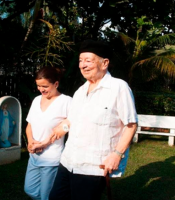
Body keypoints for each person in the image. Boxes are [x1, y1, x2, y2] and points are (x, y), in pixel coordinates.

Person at [49, 39, 138, 200]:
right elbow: (72, 120)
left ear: (104, 63)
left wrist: (117, 154)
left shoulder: (119, 88)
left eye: (88, 61)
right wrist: (60, 129)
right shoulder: (80, 91)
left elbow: (131, 125)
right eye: (80, 61)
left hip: (93, 167)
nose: (82, 65)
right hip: (68, 162)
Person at [24, 66, 72, 200]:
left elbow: (71, 124)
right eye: (38, 86)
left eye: (44, 86)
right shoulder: (36, 101)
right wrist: (30, 141)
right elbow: (29, 125)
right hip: (34, 156)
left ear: (56, 84)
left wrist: (45, 144)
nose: (41, 89)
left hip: (52, 158)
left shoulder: (66, 101)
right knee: (30, 189)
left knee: (46, 196)